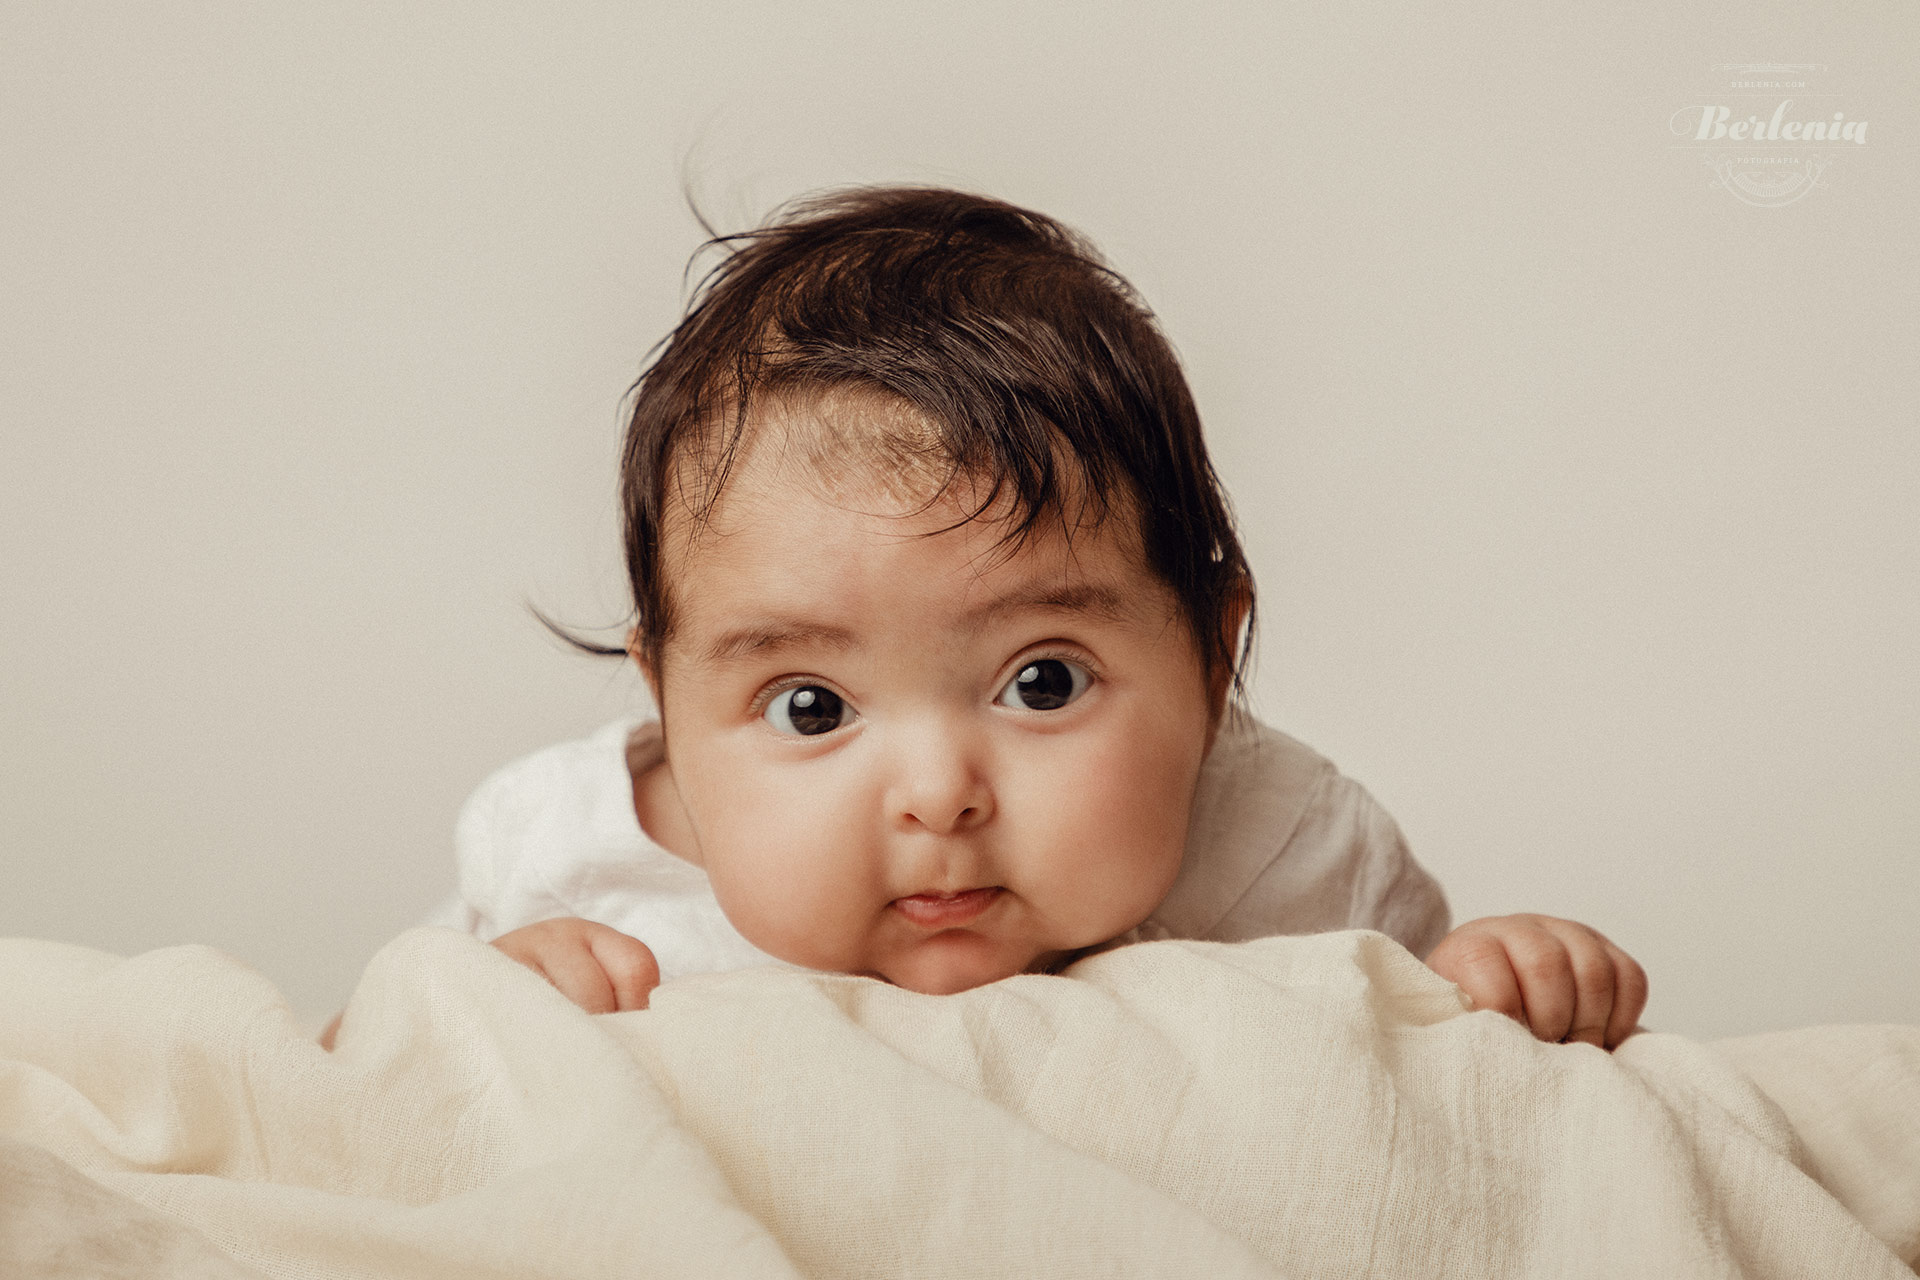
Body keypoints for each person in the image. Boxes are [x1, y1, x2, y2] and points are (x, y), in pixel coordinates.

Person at [330, 185, 1645, 1051]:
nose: (939, 797)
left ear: (1210, 656)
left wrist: (1496, 987)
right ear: (667, 707)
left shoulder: (1285, 855)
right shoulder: (568, 859)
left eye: (1043, 683)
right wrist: (460, 1018)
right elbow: (346, 1077)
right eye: (811, 708)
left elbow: (1422, 1084)